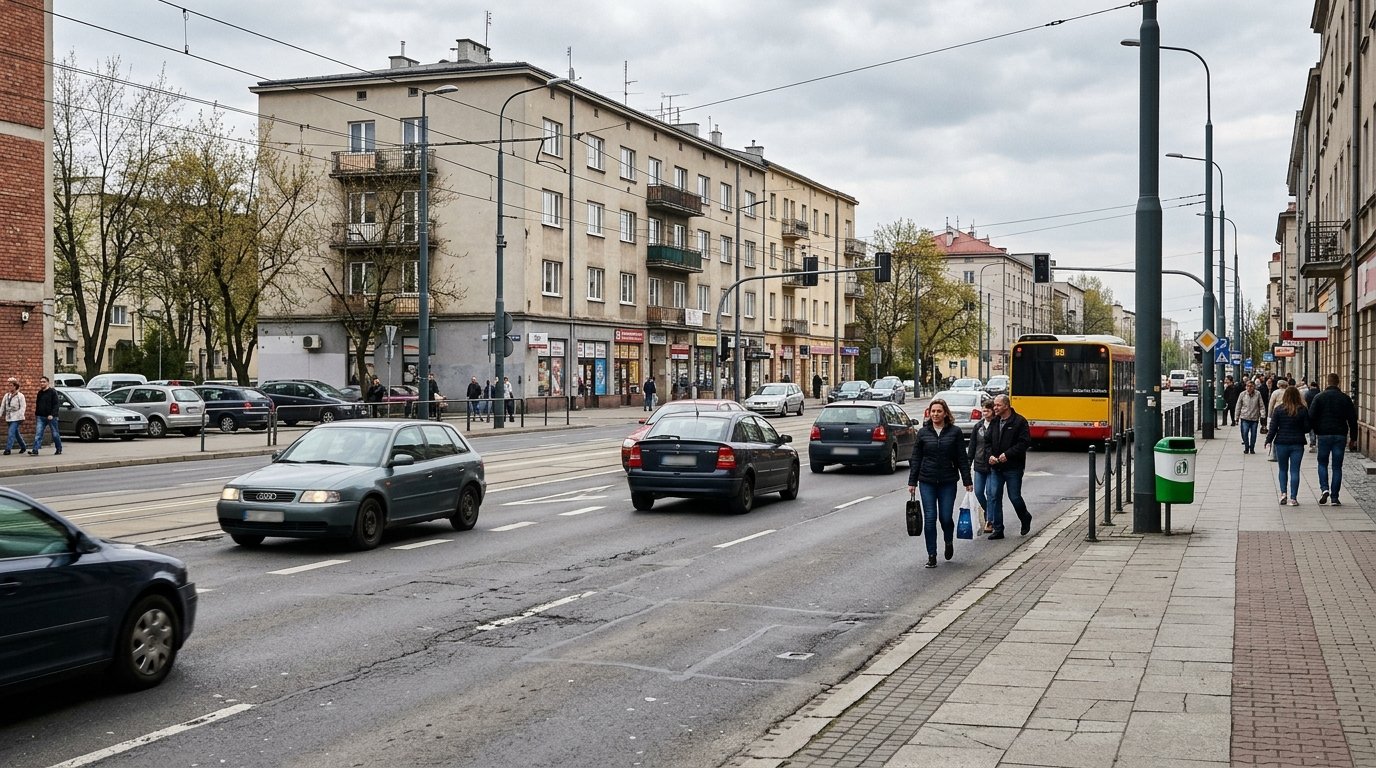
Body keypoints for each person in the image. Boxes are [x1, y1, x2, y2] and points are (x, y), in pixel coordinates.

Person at [907, 398, 974, 569]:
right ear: (929, 413)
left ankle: (948, 540)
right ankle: (932, 555)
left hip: (947, 481)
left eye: (939, 411)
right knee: (930, 519)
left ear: (945, 413)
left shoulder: (955, 432)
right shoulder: (923, 433)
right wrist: (912, 481)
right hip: (927, 480)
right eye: (933, 411)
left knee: (945, 517)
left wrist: (967, 480)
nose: (935, 414)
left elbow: (961, 458)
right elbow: (916, 458)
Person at [985, 394, 1033, 539]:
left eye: (998, 405)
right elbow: (987, 442)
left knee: (1014, 496)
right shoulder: (995, 422)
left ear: (1006, 405)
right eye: (994, 405)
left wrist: (1008, 454)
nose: (995, 408)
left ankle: (1025, 517)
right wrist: (990, 456)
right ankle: (998, 529)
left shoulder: (1019, 421)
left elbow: (1024, 443)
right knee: (994, 496)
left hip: (1013, 467)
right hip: (996, 467)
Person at [1309, 372, 1359, 506]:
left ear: (1327, 382)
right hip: (1340, 435)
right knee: (1337, 467)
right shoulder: (1345, 398)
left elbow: (1311, 417)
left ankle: (1324, 489)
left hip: (1324, 435)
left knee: (1322, 463)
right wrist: (1353, 438)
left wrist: (1315, 431)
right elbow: (1353, 420)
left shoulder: (1319, 397)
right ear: (1339, 382)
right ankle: (1335, 497)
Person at [1264, 384, 1311, 506]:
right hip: (1297, 443)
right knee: (1295, 470)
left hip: (1281, 443)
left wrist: (1268, 440)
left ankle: (1283, 494)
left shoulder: (1279, 409)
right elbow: (1307, 428)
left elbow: (1273, 428)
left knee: (1283, 469)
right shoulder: (1302, 410)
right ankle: (1293, 498)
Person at [966, 395, 997, 534]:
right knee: (979, 492)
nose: (985, 413)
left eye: (988, 411)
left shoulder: (997, 425)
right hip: (979, 464)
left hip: (992, 465)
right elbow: (972, 446)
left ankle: (990, 520)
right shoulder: (978, 426)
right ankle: (987, 511)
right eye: (983, 411)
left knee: (991, 493)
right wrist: (968, 463)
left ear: (993, 412)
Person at [30, 376, 61, 456]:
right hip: (41, 416)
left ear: (47, 383)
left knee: (55, 434)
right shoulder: (40, 393)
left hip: (51, 417)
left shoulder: (52, 392)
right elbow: (38, 404)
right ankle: (35, 450)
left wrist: (52, 414)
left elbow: (56, 404)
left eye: (44, 382)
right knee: (38, 434)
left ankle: (59, 448)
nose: (42, 383)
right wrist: (37, 414)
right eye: (41, 382)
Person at [1236, 378, 1264, 454]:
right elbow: (1238, 405)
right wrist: (1236, 417)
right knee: (1244, 432)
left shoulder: (1258, 394)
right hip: (1245, 417)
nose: (1249, 388)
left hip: (1254, 417)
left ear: (1254, 387)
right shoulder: (1242, 394)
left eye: (1251, 386)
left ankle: (1252, 447)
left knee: (1254, 434)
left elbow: (1261, 405)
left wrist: (1263, 415)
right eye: (1247, 386)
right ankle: (1246, 447)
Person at [2, 378, 27, 455]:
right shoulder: (7, 396)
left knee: (11, 432)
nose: (9, 387)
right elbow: (2, 406)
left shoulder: (20, 396)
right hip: (9, 417)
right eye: (9, 385)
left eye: (11, 385)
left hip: (17, 417)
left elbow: (23, 407)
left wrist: (20, 415)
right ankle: (23, 446)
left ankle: (8, 449)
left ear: (15, 386)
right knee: (16, 433)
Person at [1303, 380, 1319, 450]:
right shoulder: (1320, 393)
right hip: (1318, 413)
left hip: (1309, 412)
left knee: (1311, 429)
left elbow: (1305, 403)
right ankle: (1319, 441)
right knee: (1318, 428)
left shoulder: (1307, 394)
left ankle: (1313, 443)